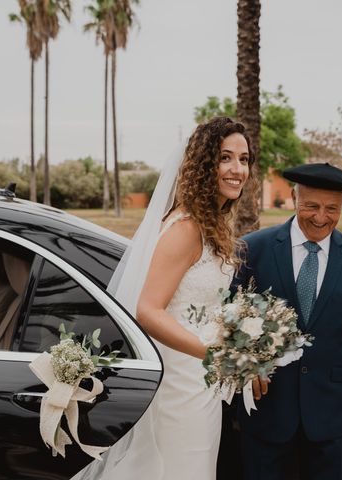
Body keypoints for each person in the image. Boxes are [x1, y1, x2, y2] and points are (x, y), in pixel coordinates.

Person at [100, 116, 253, 480]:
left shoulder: (209, 223)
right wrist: (216, 355)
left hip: (199, 379)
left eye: (244, 159)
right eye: (225, 158)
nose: (237, 169)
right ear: (204, 164)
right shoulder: (186, 228)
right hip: (180, 384)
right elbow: (148, 311)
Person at [233, 163, 342, 480]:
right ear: (294, 198)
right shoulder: (255, 249)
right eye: (312, 206)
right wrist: (247, 364)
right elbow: (232, 315)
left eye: (332, 208)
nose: (321, 217)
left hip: (331, 410)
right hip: (268, 409)